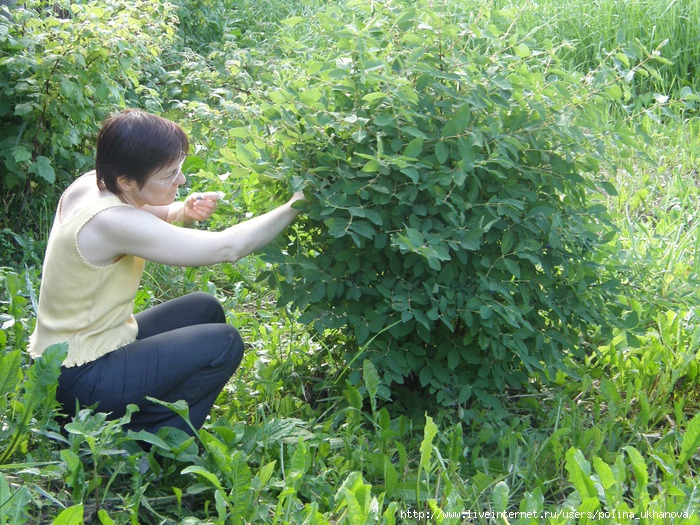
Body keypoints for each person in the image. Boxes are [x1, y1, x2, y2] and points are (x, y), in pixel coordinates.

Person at [27, 108, 305, 435]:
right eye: (170, 175)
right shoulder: (111, 223)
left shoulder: (91, 184)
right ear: (127, 180)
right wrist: (296, 204)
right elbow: (228, 248)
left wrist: (180, 210)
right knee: (225, 343)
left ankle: (146, 414)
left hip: (65, 359)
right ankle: (151, 441)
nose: (182, 180)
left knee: (205, 308)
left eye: (179, 169)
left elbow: (140, 209)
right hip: (79, 379)